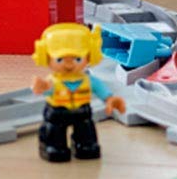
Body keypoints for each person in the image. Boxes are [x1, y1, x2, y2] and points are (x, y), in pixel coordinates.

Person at [29, 22, 126, 162]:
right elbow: (47, 90)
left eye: (77, 58)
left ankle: (85, 145)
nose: (69, 64)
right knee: (54, 131)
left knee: (86, 129)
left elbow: (100, 88)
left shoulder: (88, 80)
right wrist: (42, 87)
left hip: (82, 112)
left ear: (89, 55)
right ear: (46, 57)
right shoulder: (53, 81)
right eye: (60, 59)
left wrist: (109, 99)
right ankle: (54, 146)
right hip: (58, 112)